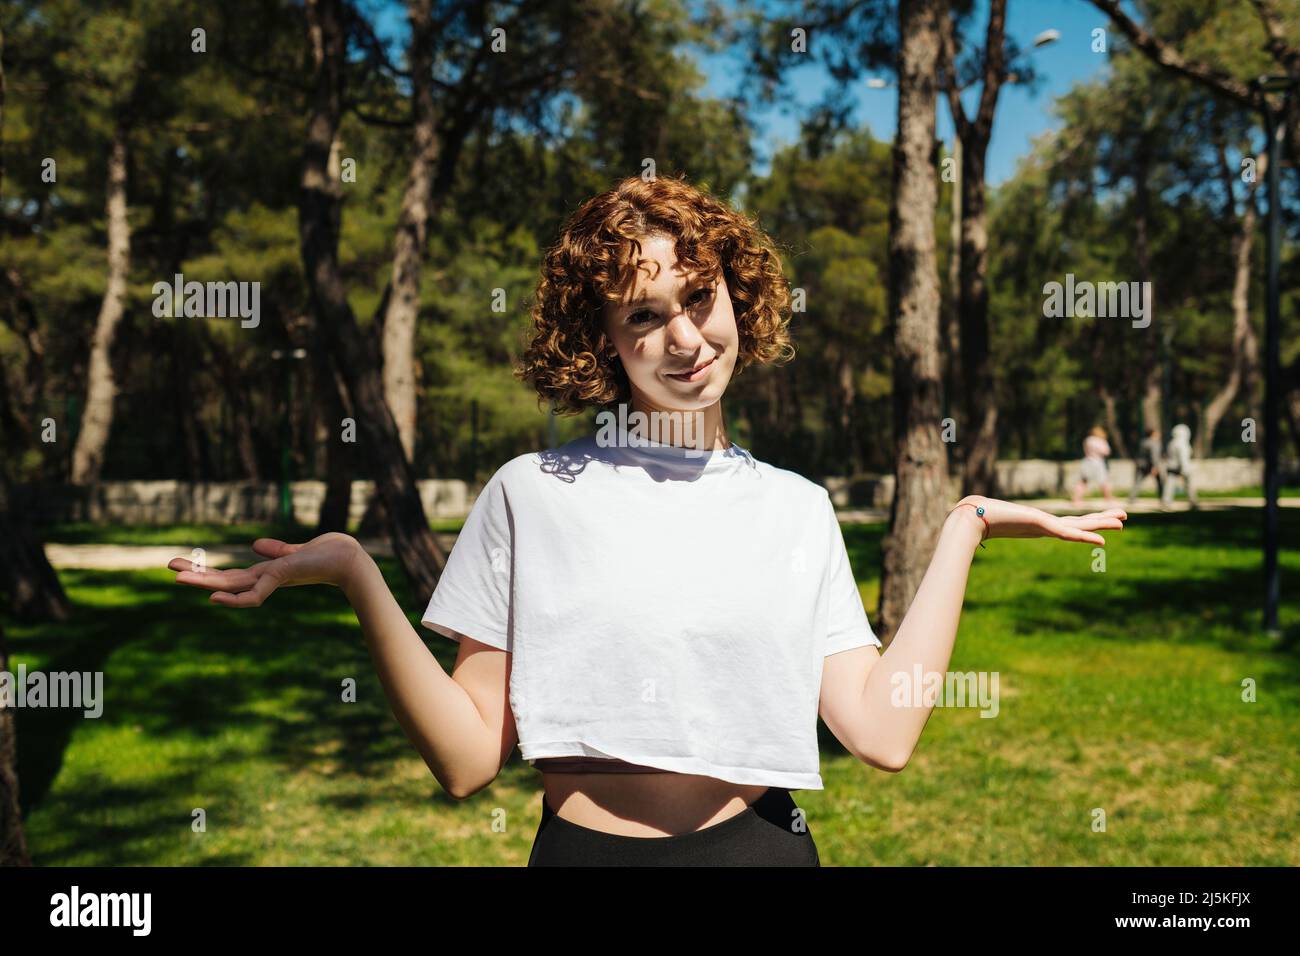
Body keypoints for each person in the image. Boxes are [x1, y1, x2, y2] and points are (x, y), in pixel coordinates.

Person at [166, 174, 1127, 866]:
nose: (684, 338)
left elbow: (881, 732)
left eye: (700, 298)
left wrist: (963, 527)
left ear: (736, 296)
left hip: (764, 853)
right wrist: (355, 575)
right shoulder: (532, 493)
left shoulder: (796, 508)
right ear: (603, 346)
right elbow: (466, 761)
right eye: (643, 316)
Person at [1071, 425, 1116, 509]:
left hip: (1087, 461)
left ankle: (1076, 499)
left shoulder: (1088, 440)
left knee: (1083, 481)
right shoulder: (1101, 441)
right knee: (1104, 481)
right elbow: (1106, 452)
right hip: (1098, 463)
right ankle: (1108, 498)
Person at [1161, 423, 1198, 509]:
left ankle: (1166, 501)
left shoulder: (1172, 443)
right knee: (1189, 484)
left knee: (1169, 484)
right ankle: (1193, 501)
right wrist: (1185, 468)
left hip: (1171, 466)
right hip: (1181, 466)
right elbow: (1183, 457)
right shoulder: (1182, 444)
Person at [1128, 427, 1165, 505]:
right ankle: (1163, 499)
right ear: (1153, 434)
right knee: (1160, 482)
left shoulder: (1143, 442)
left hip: (1141, 464)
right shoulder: (1155, 443)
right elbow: (1154, 456)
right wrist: (1155, 467)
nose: (1159, 434)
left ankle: (1132, 499)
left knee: (1138, 482)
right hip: (1150, 466)